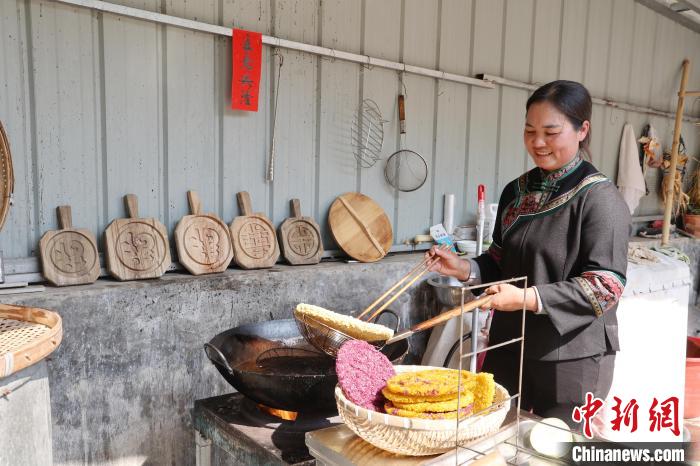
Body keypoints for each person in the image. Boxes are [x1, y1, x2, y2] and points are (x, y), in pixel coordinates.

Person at [427, 80, 631, 424]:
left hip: (571, 357)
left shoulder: (600, 199)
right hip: (511, 346)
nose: (538, 143)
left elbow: (605, 286)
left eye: (551, 132)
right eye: (530, 131)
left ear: (582, 130)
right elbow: (499, 261)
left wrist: (526, 298)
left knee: (554, 448)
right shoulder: (517, 191)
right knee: (496, 438)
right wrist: (462, 268)